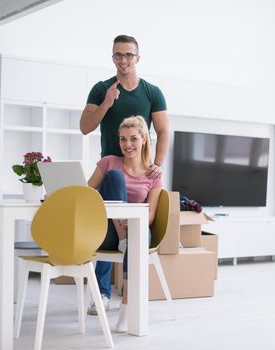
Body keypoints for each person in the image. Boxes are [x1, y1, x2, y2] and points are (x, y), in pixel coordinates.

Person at [81, 34, 169, 312]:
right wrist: (107, 103)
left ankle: (129, 292)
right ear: (112, 58)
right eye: (118, 55)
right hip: (110, 170)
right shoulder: (100, 89)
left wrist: (157, 164)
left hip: (141, 172)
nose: (123, 60)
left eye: (128, 55)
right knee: (108, 211)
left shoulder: (152, 92)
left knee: (132, 228)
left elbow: (164, 130)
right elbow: (85, 127)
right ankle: (103, 294)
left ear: (137, 57)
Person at [87, 115, 162, 332]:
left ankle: (127, 308)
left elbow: (150, 215)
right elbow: (87, 193)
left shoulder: (153, 174)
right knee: (114, 177)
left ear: (144, 140)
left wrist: (133, 224)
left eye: (133, 139)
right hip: (110, 232)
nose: (127, 145)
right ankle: (124, 239)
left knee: (138, 237)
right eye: (123, 139)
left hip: (136, 229)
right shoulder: (109, 162)